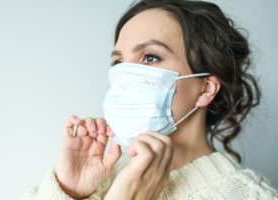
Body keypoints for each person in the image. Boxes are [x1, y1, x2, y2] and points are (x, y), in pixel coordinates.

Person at [22, 0, 278, 199]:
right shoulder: (93, 176)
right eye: (118, 62)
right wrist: (68, 191)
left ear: (205, 89)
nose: (125, 75)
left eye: (150, 57)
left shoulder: (250, 195)